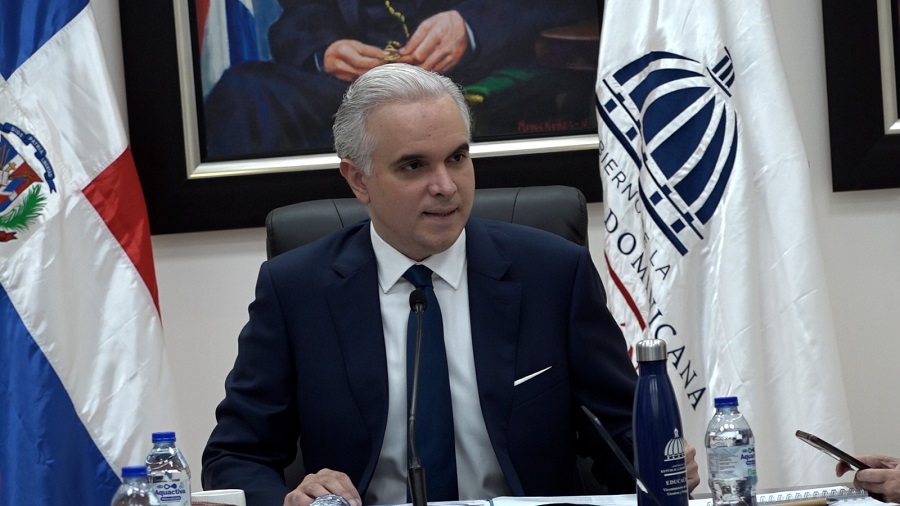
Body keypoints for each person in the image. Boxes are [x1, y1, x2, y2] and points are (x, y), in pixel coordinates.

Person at [201, 63, 699, 506]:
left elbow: (622, 436)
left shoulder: (552, 275)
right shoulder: (297, 291)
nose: (445, 186)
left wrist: (661, 462)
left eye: (457, 157)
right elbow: (235, 456)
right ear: (358, 180)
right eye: (414, 166)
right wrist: (292, 500)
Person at [203, 0, 596, 158]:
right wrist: (325, 50)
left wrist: (471, 27)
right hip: (351, 85)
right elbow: (301, 19)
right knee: (242, 91)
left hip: (470, 74)